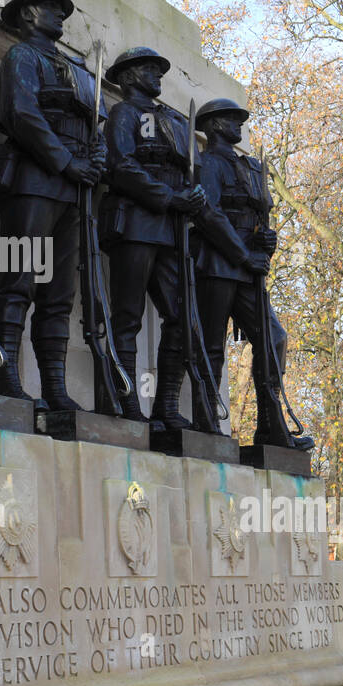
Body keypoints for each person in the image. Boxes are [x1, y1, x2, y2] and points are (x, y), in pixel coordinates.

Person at [0, 0, 106, 411]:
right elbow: (22, 114)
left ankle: (54, 386)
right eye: (47, 8)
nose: (58, 14)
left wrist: (95, 162)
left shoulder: (76, 69)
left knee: (59, 293)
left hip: (75, 188)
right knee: (17, 281)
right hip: (34, 179)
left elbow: (98, 129)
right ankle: (5, 377)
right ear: (25, 16)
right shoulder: (22, 57)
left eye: (61, 8)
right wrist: (65, 162)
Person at [98, 47, 210, 428]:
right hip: (135, 224)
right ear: (128, 77)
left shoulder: (175, 122)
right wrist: (169, 197)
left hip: (172, 230)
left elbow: (193, 169)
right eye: (148, 69)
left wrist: (194, 195)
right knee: (127, 316)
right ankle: (125, 399)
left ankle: (165, 406)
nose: (157, 75)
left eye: (158, 70)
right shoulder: (123, 114)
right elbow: (122, 165)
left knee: (181, 317)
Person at [195, 99, 314, 451]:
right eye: (231, 119)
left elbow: (258, 219)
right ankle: (205, 422)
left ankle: (271, 426)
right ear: (214, 126)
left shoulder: (249, 167)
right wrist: (245, 254)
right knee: (211, 346)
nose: (239, 124)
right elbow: (210, 214)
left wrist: (267, 242)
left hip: (248, 270)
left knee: (274, 338)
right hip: (218, 264)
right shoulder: (209, 163)